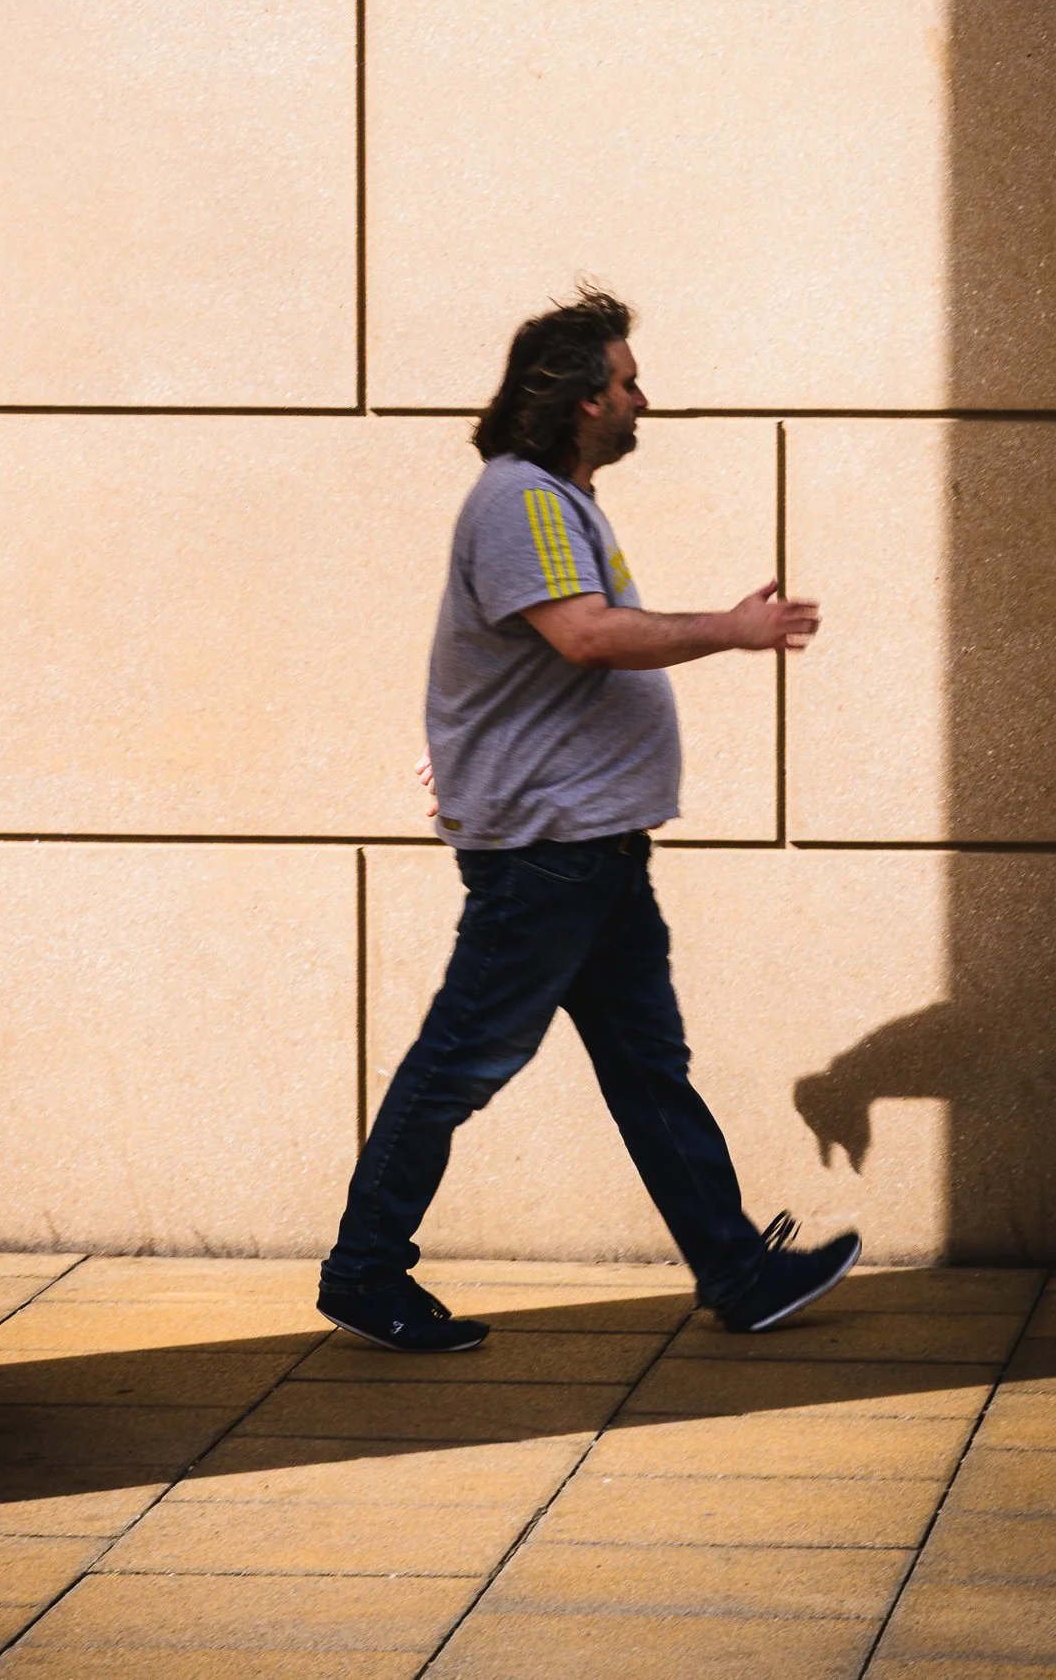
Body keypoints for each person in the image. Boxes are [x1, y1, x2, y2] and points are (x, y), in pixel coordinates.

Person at [317, 288, 860, 1353]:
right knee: (459, 1064)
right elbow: (585, 637)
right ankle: (364, 1268)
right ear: (576, 400)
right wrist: (734, 629)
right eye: (623, 382)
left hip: (591, 852)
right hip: (545, 860)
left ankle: (737, 1269)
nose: (638, 399)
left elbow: (524, 665)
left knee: (645, 1065)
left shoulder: (550, 503)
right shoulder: (520, 502)